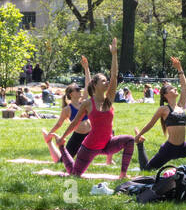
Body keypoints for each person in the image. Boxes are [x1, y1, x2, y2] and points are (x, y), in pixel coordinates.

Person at [55, 39, 135, 179]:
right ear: (95, 85)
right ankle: (62, 149)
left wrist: (114, 54)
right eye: (103, 81)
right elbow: (74, 123)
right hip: (90, 146)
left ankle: (123, 174)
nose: (107, 82)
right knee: (74, 174)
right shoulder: (88, 103)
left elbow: (114, 76)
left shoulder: (108, 100)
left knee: (129, 140)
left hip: (107, 143)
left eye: (106, 80)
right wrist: (62, 138)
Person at [135, 56, 186, 170]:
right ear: (166, 95)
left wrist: (179, 68)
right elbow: (150, 124)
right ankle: (140, 145)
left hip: (183, 147)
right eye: (172, 89)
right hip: (169, 149)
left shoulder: (180, 105)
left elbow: (184, 86)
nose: (175, 89)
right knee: (147, 169)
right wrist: (138, 135)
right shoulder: (163, 109)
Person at [43, 83, 91, 163]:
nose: (80, 90)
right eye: (77, 89)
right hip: (78, 137)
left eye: (80, 89)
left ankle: (109, 160)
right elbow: (59, 124)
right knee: (63, 162)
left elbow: (87, 84)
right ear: (71, 94)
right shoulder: (67, 109)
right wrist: (50, 133)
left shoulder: (83, 103)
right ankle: (49, 142)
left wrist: (86, 70)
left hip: (89, 134)